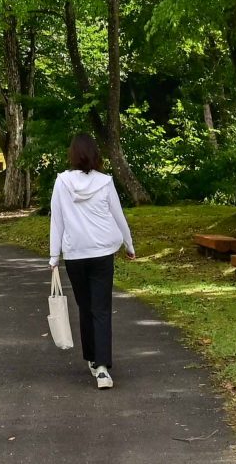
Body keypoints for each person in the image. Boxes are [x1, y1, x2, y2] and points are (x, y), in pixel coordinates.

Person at [49, 130, 136, 389]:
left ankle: (92, 358)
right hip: (101, 254)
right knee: (101, 308)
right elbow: (118, 216)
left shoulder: (62, 183)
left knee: (85, 307)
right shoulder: (105, 182)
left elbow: (58, 221)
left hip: (75, 254)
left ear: (73, 155)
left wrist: (54, 256)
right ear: (96, 155)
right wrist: (129, 245)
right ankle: (101, 367)